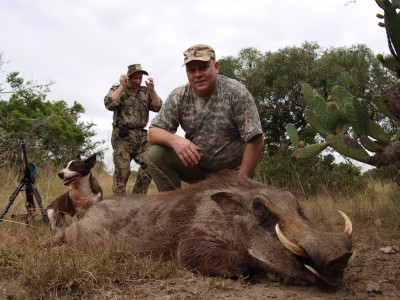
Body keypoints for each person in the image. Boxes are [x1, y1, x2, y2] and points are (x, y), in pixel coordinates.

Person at [146, 44, 264, 192]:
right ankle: (173, 209)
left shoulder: (236, 92)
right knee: (156, 154)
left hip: (234, 174)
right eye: (191, 70)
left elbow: (256, 141)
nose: (197, 74)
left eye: (203, 68)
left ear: (216, 67)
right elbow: (152, 134)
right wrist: (175, 140)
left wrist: (239, 185)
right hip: (199, 170)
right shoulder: (179, 95)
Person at [104, 64, 162, 195]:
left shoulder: (145, 92)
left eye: (140, 78)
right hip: (122, 136)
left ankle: (137, 198)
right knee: (123, 170)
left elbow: (158, 107)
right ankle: (118, 201)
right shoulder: (117, 88)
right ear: (127, 77)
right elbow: (109, 104)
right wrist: (122, 86)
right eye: (134, 78)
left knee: (151, 163)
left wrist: (152, 91)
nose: (137, 81)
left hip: (141, 136)